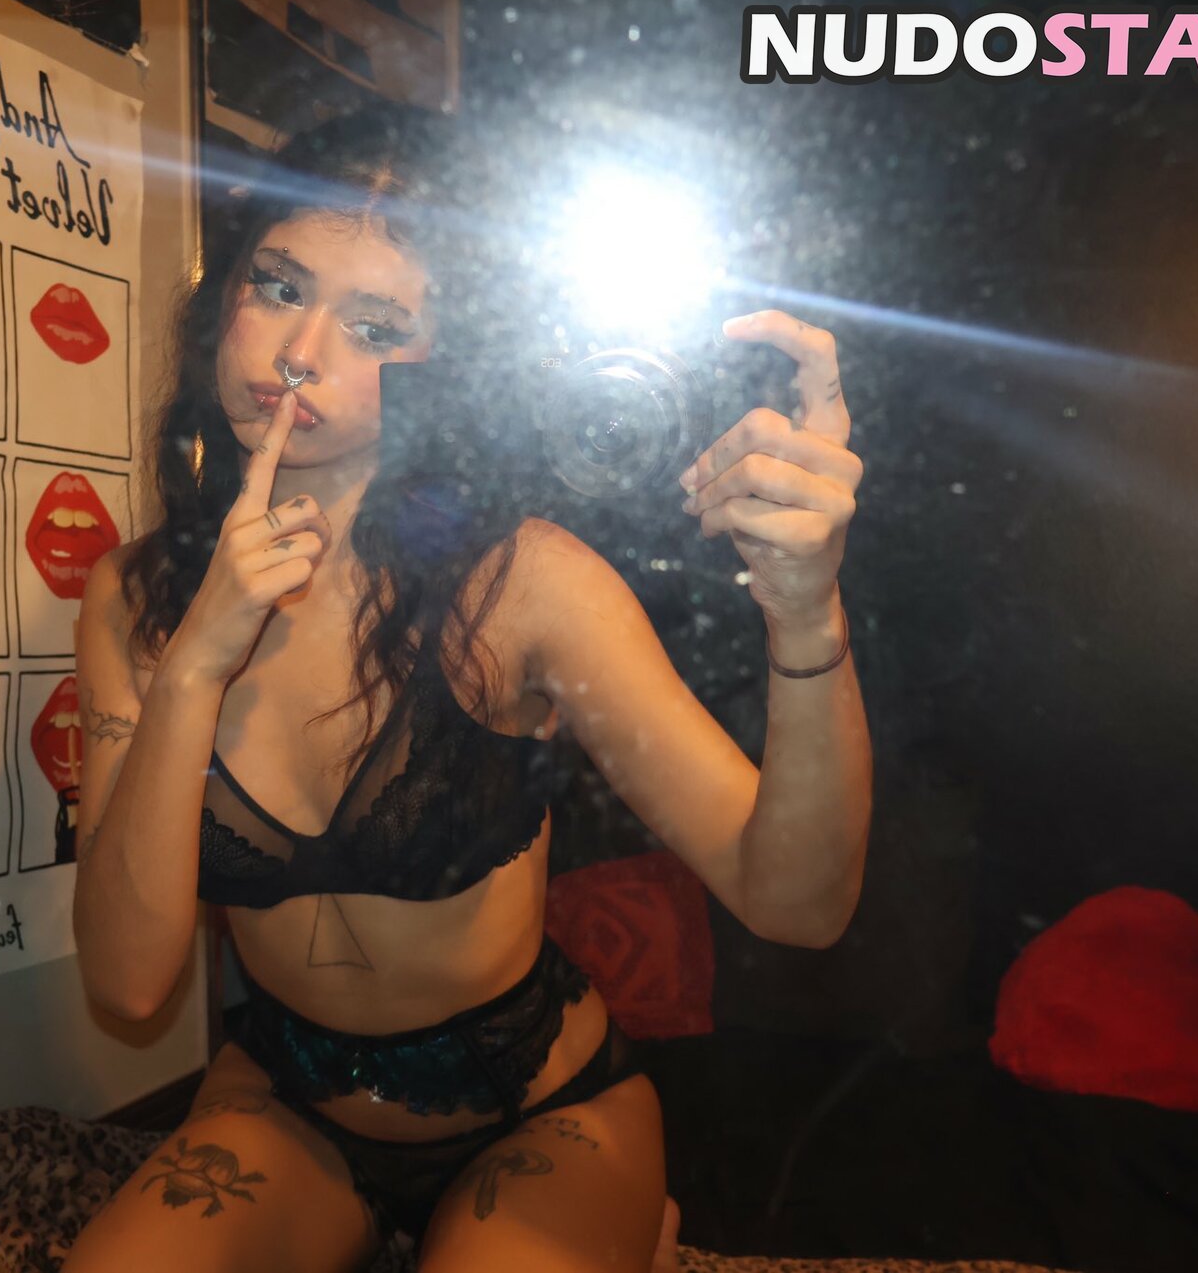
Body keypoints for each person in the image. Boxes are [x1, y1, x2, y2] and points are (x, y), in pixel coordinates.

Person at [63, 110, 872, 1273]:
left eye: (375, 326)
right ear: (225, 293)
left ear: (447, 365)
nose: (300, 353)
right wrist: (193, 663)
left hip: (535, 1109)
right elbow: (129, 984)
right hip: (289, 1100)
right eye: (279, 288)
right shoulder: (133, 598)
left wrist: (806, 612)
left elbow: (797, 904)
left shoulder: (525, 583)